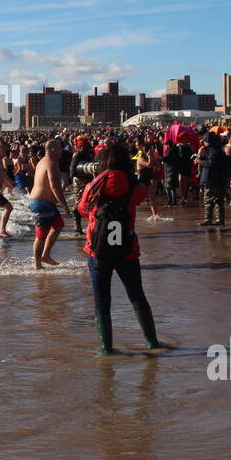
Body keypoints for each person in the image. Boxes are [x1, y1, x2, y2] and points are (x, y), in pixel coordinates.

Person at [76, 142, 162, 355]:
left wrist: (92, 181)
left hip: (97, 251)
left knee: (102, 302)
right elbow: (142, 194)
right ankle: (152, 343)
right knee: (137, 297)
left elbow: (83, 210)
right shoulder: (133, 187)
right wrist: (143, 173)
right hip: (127, 250)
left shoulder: (94, 186)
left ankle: (106, 349)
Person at [27, 138, 73, 269]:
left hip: (44, 203)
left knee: (58, 225)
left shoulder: (44, 161)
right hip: (40, 203)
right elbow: (55, 187)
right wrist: (64, 205)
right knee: (41, 235)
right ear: (52, 150)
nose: (62, 151)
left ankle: (45, 255)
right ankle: (37, 265)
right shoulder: (51, 163)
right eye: (59, 149)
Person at [197, 132, 231, 226]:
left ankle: (208, 219)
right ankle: (219, 220)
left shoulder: (213, 150)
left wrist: (200, 161)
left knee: (209, 199)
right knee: (219, 200)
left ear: (208, 141)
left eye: (204, 141)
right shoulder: (217, 149)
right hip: (219, 178)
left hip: (212, 178)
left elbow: (211, 164)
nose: (203, 143)